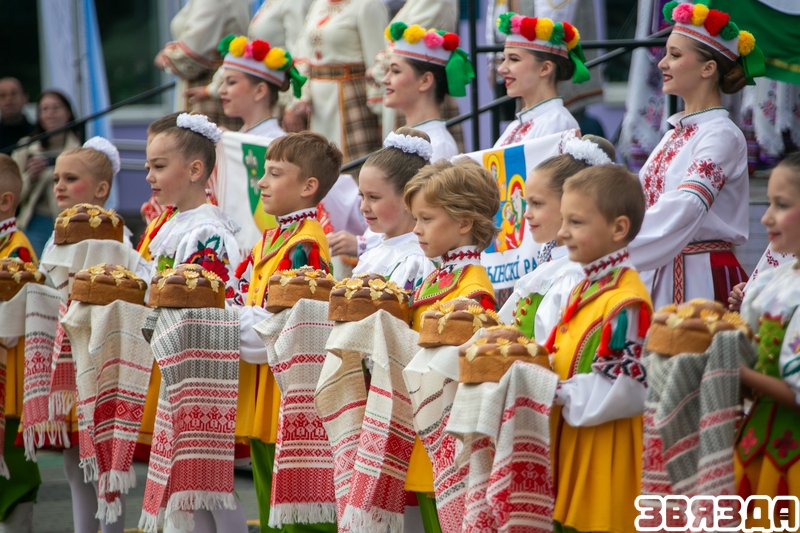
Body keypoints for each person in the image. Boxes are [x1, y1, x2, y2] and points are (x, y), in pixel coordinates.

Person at [142, 114, 247, 533]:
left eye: (159, 166)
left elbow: (205, 304)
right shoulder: (170, 223)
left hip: (199, 364)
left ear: (195, 170)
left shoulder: (207, 230)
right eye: (149, 166)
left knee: (208, 480)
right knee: (186, 482)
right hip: (176, 358)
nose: (149, 175)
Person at [628, 1, 766, 309]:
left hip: (701, 276)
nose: (662, 64)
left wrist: (615, 246)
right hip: (661, 268)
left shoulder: (721, 134)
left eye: (675, 55)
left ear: (708, 68)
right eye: (665, 54)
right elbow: (640, 201)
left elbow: (687, 207)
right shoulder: (671, 135)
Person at [235, 131, 340, 532]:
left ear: (308, 187)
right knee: (270, 500)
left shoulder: (307, 244)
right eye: (264, 171)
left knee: (301, 505)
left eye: (275, 173)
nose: (261, 182)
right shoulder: (271, 237)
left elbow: (299, 322)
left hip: (288, 388)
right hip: (264, 382)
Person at [545, 164, 651, 533]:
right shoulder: (587, 288)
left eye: (575, 222)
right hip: (576, 438)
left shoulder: (625, 302)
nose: (561, 233)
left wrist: (553, 390)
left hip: (606, 446)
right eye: (562, 220)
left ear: (618, 228)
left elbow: (625, 387)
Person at [37, 136, 129, 533]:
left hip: (101, 357)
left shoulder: (114, 238)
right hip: (67, 359)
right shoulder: (57, 234)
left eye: (70, 178)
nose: (58, 185)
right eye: (57, 177)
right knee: (75, 459)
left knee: (106, 459)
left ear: (101, 189)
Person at [403, 158, 499, 531]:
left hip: (446, 430)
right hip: (421, 424)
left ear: (463, 222)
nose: (416, 229)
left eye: (426, 219)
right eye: (416, 219)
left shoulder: (473, 288)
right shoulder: (437, 278)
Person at [498, 135, 615, 341]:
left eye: (537, 204)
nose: (526, 214)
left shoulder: (572, 276)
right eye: (526, 204)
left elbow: (553, 352)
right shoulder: (554, 265)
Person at [735, 152, 800, 502]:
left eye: (781, 204)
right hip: (757, 448)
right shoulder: (770, 285)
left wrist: (733, 369)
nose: (765, 217)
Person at [285, 0, 388, 166]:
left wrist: (380, 116)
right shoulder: (319, 4)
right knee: (320, 165)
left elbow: (378, 63)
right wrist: (301, 96)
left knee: (353, 167)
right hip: (319, 104)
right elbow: (303, 52)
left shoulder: (368, 5)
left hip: (351, 98)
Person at [0, 153, 40, 533]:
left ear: (5, 202)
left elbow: (9, 324)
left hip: (8, 386)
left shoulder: (17, 249)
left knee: (13, 471)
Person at [184, 0, 314, 116]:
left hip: (279, 96)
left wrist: (294, 103)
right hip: (264, 95)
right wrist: (213, 88)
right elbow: (249, 49)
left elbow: (300, 53)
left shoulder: (296, 2)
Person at [352, 127, 434, 288]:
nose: (363, 207)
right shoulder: (372, 255)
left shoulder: (416, 261)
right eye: (362, 196)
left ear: (407, 199)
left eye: (373, 197)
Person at [493, 13, 588, 147]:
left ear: (545, 68)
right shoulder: (515, 126)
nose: (501, 69)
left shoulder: (557, 122)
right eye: (503, 59)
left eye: (514, 59)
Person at [381, 22, 472, 162]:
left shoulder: (439, 145)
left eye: (396, 71)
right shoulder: (401, 138)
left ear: (425, 81)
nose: (385, 80)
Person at [155, 0, 250, 130]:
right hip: (213, 85)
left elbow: (192, 54)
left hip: (209, 88)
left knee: (206, 144)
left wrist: (167, 57)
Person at [11, 90, 80, 257]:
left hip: (70, 222)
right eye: (45, 109)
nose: (50, 114)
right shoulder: (26, 148)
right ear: (39, 115)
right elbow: (10, 194)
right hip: (35, 221)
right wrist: (30, 177)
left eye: (56, 108)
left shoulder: (82, 151)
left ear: (68, 112)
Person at [216, 36, 305, 139]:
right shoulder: (237, 136)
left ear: (260, 91)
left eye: (231, 82)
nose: (221, 90)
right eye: (223, 82)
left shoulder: (274, 143)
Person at [0, 78, 34, 154]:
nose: (9, 99)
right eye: (2, 95)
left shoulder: (37, 134)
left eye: (14, 93)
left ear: (25, 98)